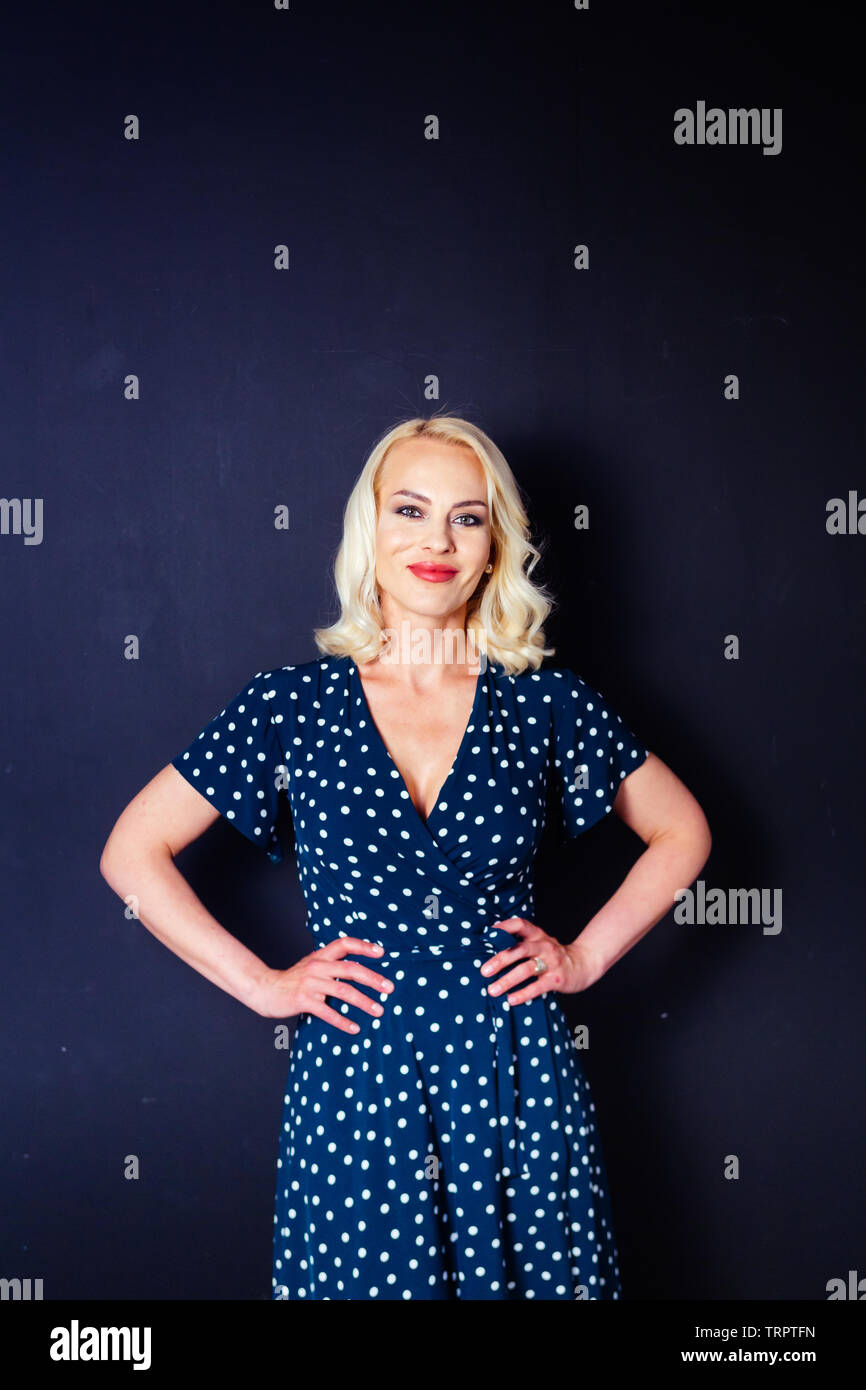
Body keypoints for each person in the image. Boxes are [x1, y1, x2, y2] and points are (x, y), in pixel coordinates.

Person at [100, 414, 711, 1300]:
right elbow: (133, 851)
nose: (437, 541)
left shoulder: (545, 703)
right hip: (358, 1078)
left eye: (468, 517)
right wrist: (265, 985)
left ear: (496, 542)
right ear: (369, 529)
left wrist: (583, 957)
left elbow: (682, 829)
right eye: (411, 509)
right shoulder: (291, 706)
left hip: (513, 1075)